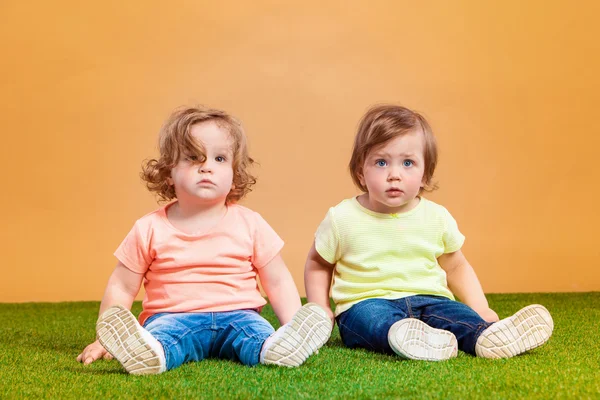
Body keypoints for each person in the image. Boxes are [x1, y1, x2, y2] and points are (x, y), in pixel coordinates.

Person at [77, 106, 332, 374]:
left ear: (235, 176)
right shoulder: (148, 228)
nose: (207, 167)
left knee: (257, 336)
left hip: (240, 315)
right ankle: (150, 355)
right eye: (192, 157)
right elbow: (122, 286)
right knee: (163, 338)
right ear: (168, 172)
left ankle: (280, 347)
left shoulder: (251, 223)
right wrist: (102, 340)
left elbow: (278, 281)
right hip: (173, 317)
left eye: (219, 159)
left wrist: (292, 325)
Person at [304, 104, 553, 360]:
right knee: (372, 321)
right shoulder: (342, 218)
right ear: (361, 172)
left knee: (454, 315)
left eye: (408, 163)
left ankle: (487, 336)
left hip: (429, 300)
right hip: (366, 302)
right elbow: (318, 263)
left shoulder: (436, 217)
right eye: (381, 162)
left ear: (425, 174)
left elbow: (456, 267)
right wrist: (320, 307)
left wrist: (481, 308)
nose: (394, 175)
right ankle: (404, 337)